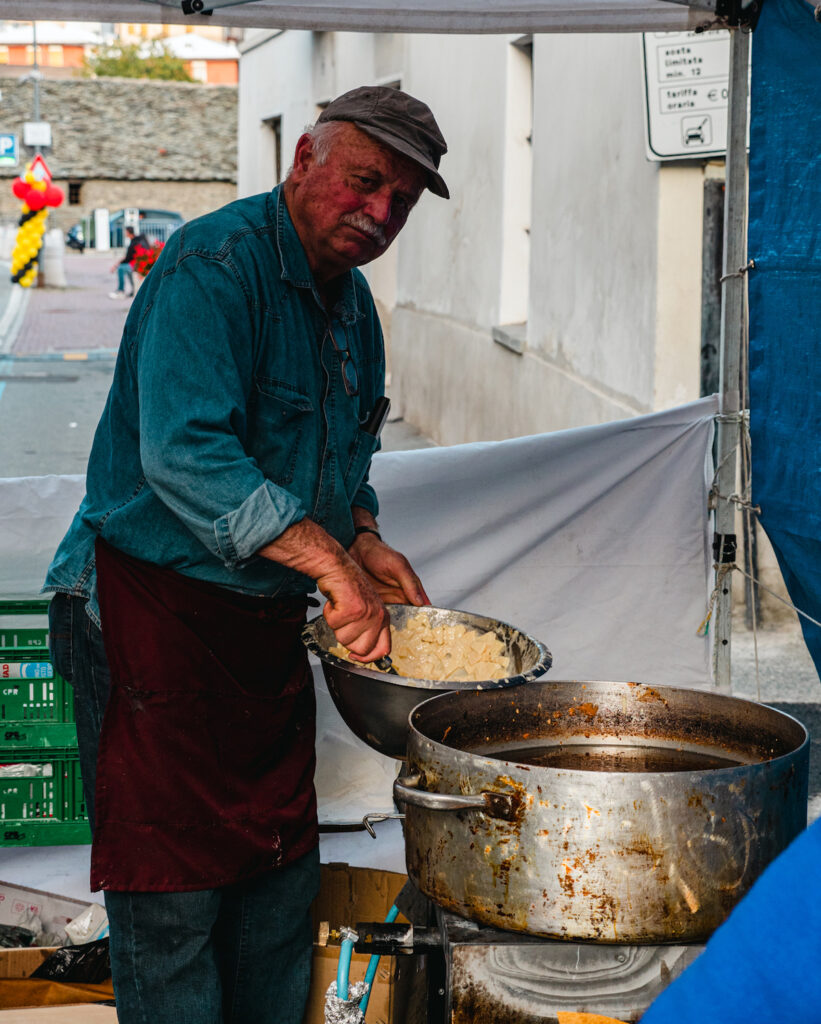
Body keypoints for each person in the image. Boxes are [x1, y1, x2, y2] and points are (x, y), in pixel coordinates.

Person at [44, 85, 448, 1024]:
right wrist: (335, 569)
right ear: (304, 159)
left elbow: (344, 460)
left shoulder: (355, 316)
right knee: (174, 905)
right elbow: (185, 452)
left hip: (254, 633)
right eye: (364, 181)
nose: (379, 213)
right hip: (149, 615)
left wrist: (363, 538)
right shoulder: (210, 267)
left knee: (275, 890)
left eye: (402, 201)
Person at [108, 224, 147, 298]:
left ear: (128, 232)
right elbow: (127, 257)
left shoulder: (134, 242)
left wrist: (116, 266)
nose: (124, 233)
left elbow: (128, 258)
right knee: (125, 269)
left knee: (121, 268)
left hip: (137, 265)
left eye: (125, 232)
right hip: (135, 263)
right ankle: (132, 290)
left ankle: (121, 290)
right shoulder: (135, 240)